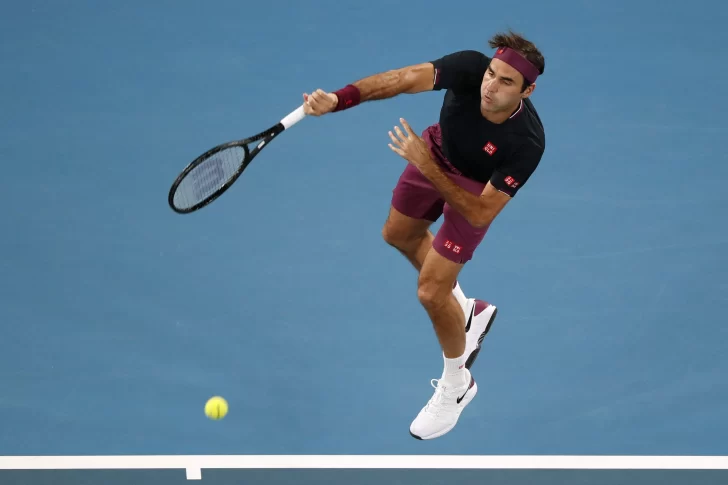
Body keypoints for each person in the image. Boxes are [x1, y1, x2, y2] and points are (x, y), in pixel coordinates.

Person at [302, 30, 546, 440]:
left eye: (507, 82)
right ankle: (467, 311)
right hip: (436, 150)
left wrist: (424, 164)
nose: (490, 86)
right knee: (398, 234)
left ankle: (457, 384)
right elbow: (402, 79)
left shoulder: (527, 143)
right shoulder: (468, 69)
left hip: (474, 192)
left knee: (432, 293)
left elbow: (480, 212)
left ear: (527, 90)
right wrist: (339, 100)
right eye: (491, 74)